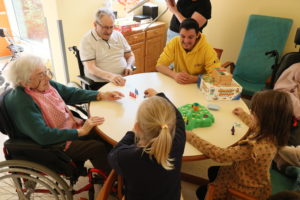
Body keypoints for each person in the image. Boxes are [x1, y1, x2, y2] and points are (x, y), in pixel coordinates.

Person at [3, 54, 124, 174]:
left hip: (69, 127)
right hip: (54, 145)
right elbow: (43, 136)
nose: (48, 78)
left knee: (100, 131)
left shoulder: (45, 85)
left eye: (46, 72)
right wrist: (80, 132)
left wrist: (100, 95)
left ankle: (116, 168)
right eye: (41, 74)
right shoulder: (22, 102)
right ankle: (112, 183)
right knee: (97, 148)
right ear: (25, 82)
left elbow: (71, 93)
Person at [186, 90, 294, 199]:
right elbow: (256, 126)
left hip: (243, 187)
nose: (250, 111)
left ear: (267, 120)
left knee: (201, 191)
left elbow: (219, 155)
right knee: (212, 171)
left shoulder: (253, 147)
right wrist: (243, 115)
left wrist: (191, 137)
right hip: (251, 178)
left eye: (254, 113)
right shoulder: (273, 133)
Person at [108, 88, 186, 200]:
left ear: (137, 127)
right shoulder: (178, 141)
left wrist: (131, 133)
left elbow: (112, 154)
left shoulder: (127, 157)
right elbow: (178, 117)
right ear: (170, 125)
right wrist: (160, 96)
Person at [80, 8, 135, 89]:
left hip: (123, 79)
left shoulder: (118, 35)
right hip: (101, 84)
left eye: (111, 27)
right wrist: (111, 77)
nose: (109, 31)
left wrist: (129, 66)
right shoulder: (87, 40)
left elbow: (130, 56)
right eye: (105, 27)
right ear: (95, 24)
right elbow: (91, 68)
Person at [156, 18, 220, 84]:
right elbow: (159, 65)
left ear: (197, 35)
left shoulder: (207, 49)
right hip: (178, 84)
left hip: (198, 86)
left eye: (190, 37)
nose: (186, 41)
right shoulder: (174, 42)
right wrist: (174, 75)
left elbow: (217, 76)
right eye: (183, 36)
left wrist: (195, 79)